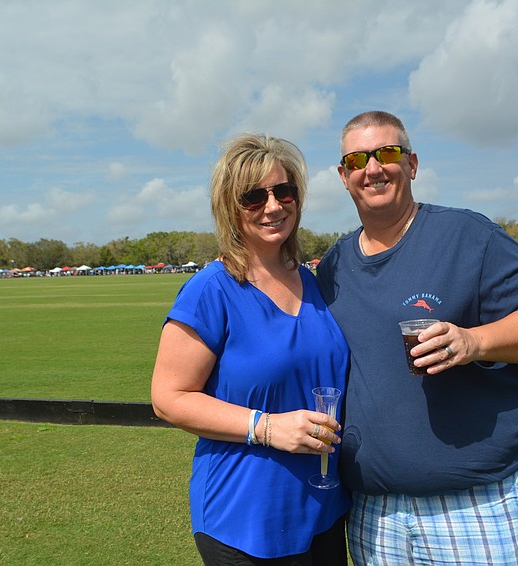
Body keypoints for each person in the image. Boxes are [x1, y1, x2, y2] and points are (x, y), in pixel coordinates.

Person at [316, 111, 518, 566]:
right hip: (374, 515)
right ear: (344, 175)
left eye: (388, 153)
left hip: (475, 509)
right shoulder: (335, 264)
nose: (373, 168)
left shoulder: (466, 235)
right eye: (358, 159)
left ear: (412, 164)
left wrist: (474, 342)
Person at [151, 133, 351, 565]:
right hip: (244, 517)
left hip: (323, 509)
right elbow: (168, 399)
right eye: (253, 197)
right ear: (229, 207)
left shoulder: (315, 283)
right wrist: (268, 427)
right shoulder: (211, 290)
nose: (274, 206)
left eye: (284, 191)